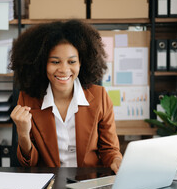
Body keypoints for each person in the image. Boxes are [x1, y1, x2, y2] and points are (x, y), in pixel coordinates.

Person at [10, 19, 122, 173]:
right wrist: (23, 134)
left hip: (88, 183)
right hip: (49, 186)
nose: (64, 69)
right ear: (42, 64)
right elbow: (29, 164)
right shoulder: (28, 100)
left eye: (71, 61)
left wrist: (117, 161)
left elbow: (109, 150)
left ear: (81, 62)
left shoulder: (100, 97)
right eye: (55, 62)